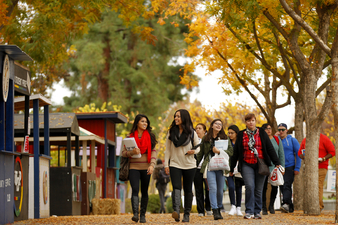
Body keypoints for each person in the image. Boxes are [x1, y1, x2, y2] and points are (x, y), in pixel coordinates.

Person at [229, 113, 281, 220]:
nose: (251, 123)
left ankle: (257, 212)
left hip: (261, 164)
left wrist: (277, 162)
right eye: (248, 121)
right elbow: (236, 152)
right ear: (246, 123)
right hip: (246, 164)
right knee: (249, 186)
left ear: (255, 121)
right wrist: (231, 168)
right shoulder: (241, 134)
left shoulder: (261, 132)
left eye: (252, 120)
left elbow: (269, 148)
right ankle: (249, 211)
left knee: (258, 189)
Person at [164, 109, 200, 222]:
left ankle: (187, 214)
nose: (176, 118)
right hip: (175, 163)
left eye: (178, 116)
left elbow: (198, 147)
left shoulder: (191, 132)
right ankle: (176, 211)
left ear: (184, 117)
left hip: (190, 164)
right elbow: (167, 150)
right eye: (175, 116)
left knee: (188, 188)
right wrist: (166, 164)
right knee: (176, 187)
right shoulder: (171, 132)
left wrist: (193, 151)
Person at [122, 114, 157, 223]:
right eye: (142, 121)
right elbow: (123, 153)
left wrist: (152, 165)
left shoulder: (150, 136)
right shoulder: (129, 137)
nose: (145, 123)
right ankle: (135, 214)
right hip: (133, 167)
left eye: (146, 122)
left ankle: (143, 215)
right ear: (137, 123)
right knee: (135, 189)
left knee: (145, 191)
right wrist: (132, 152)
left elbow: (154, 152)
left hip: (146, 167)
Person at [196, 119, 233, 220]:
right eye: (216, 123)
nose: (218, 125)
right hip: (210, 166)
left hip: (221, 167)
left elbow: (230, 152)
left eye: (220, 124)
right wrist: (194, 165)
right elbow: (201, 154)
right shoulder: (205, 138)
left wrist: (219, 151)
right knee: (213, 188)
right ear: (212, 125)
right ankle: (215, 211)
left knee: (220, 191)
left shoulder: (225, 138)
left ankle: (219, 207)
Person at [298, 133, 335, 212]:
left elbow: (332, 152)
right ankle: (312, 206)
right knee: (309, 187)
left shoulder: (324, 138)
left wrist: (323, 158)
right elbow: (299, 153)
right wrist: (304, 157)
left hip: (321, 166)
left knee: (318, 186)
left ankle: (318, 207)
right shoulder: (305, 139)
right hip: (309, 168)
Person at [277, 123, 301, 213]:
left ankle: (286, 203)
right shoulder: (276, 140)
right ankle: (290, 206)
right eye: (279, 130)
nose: (281, 131)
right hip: (279, 167)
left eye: (283, 129)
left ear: (286, 130)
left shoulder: (292, 140)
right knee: (282, 186)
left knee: (287, 184)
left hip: (289, 166)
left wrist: (297, 168)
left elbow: (299, 154)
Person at [261, 123, 285, 215]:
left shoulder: (276, 139)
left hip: (275, 167)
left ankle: (271, 206)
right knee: (263, 187)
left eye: (270, 128)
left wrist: (282, 167)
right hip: (264, 166)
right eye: (266, 129)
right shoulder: (261, 139)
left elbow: (281, 154)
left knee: (275, 186)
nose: (269, 130)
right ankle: (263, 207)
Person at [193, 123, 212, 216]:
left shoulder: (208, 141)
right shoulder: (192, 141)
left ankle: (208, 208)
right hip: (196, 169)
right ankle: (200, 210)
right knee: (198, 190)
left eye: (200, 128)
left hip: (206, 168)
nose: (197, 130)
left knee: (208, 189)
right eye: (196, 128)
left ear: (205, 131)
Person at [227, 125, 244, 216]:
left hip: (239, 168)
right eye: (229, 133)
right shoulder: (227, 143)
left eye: (232, 133)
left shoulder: (241, 142)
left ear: (236, 133)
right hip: (229, 168)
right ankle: (233, 206)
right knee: (231, 187)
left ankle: (238, 208)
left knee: (239, 187)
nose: (230, 135)